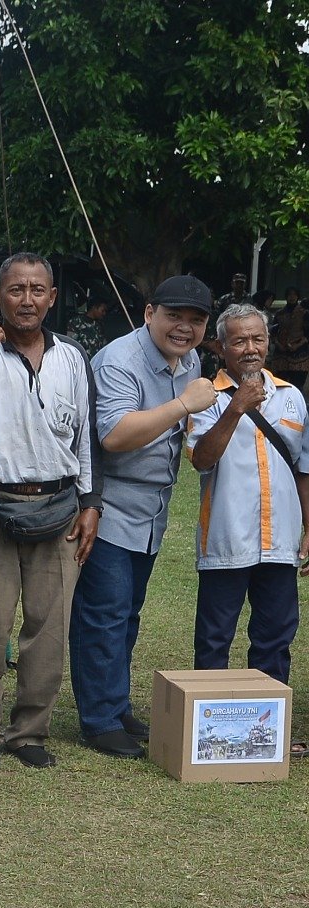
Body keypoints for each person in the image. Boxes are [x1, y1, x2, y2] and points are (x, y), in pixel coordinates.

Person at [0, 254, 101, 770]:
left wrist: (90, 502)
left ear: (52, 298)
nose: (27, 300)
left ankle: (29, 731)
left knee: (49, 626)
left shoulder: (72, 357)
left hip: (60, 506)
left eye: (37, 290)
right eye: (16, 290)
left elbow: (86, 437)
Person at [68, 275, 216, 758]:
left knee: (127, 613)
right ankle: (100, 721)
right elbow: (113, 435)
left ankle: (116, 705)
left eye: (196, 320)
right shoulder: (120, 360)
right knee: (104, 614)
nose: (184, 327)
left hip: (152, 510)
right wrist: (183, 404)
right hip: (108, 505)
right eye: (174, 316)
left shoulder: (189, 360)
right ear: (150, 313)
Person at [186, 302, 309, 759]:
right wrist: (235, 409)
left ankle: (268, 734)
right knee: (214, 638)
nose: (250, 348)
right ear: (222, 347)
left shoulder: (291, 396)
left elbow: (303, 469)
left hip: (280, 541)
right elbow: (201, 459)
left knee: (275, 637)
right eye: (239, 340)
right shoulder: (207, 396)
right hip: (226, 540)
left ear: (268, 341)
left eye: (257, 338)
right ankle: (206, 736)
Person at [270, 287, 309, 389]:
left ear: (298, 297)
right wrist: (278, 344)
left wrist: (298, 345)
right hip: (281, 355)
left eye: (294, 295)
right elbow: (273, 332)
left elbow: (307, 334)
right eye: (290, 295)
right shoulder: (279, 313)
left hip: (299, 355)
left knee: (297, 387)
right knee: (280, 386)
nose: (292, 297)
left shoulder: (304, 313)